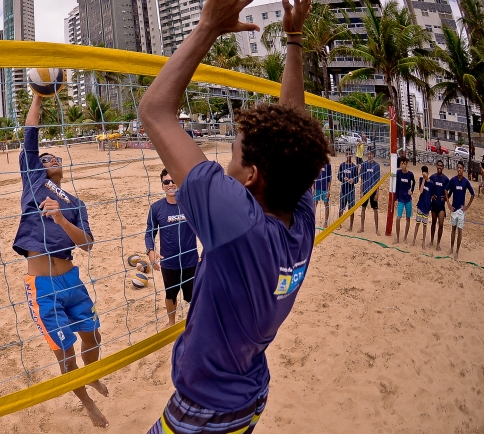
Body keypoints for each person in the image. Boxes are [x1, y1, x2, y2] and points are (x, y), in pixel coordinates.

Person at [138, 0, 329, 431]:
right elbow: (294, 125)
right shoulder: (298, 212)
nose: (225, 165)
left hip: (206, 410)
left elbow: (154, 110)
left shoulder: (239, 225)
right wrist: (293, 41)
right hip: (248, 392)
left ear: (251, 178)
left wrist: (207, 26)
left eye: (233, 158)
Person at [13, 94, 108, 427]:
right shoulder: (34, 181)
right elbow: (30, 135)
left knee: (93, 337)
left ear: (63, 168)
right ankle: (87, 403)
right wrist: (38, 98)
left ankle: (92, 374)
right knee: (65, 354)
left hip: (73, 280)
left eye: (55, 156)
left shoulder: (76, 203)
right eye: (44, 156)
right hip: (43, 287)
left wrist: (62, 221)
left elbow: (90, 245)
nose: (48, 157)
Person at [145, 168, 199, 327]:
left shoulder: (190, 206)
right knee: (170, 294)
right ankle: (171, 322)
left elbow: (205, 228)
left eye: (173, 181)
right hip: (169, 262)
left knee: (194, 296)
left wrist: (207, 251)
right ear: (162, 186)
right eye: (166, 182)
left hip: (191, 261)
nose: (170, 184)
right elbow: (149, 233)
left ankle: (194, 323)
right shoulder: (156, 208)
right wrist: (151, 251)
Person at [445, 161, 475, 260]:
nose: (459, 169)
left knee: (460, 230)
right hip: (454, 209)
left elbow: (472, 194)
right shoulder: (453, 180)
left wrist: (467, 206)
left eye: (461, 168)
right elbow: (446, 190)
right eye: (458, 168)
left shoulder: (466, 182)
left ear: (463, 169)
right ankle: (451, 248)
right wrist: (448, 204)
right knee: (453, 230)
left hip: (461, 210)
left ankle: (457, 251)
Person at [358, 148, 381, 235]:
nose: (369, 155)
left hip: (373, 190)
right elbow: (362, 179)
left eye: (371, 154)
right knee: (363, 208)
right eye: (368, 154)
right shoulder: (364, 165)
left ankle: (377, 229)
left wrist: (377, 193)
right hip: (365, 190)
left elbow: (378, 181)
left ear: (373, 155)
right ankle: (362, 227)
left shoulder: (377, 166)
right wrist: (361, 192)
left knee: (375, 210)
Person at [428, 160, 450, 250]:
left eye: (441, 166)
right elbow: (427, 186)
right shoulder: (433, 177)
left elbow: (450, 189)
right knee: (433, 223)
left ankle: (438, 244)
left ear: (443, 167)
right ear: (436, 166)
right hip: (434, 205)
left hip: (441, 206)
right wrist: (431, 195)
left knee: (441, 224)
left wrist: (446, 198)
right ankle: (432, 241)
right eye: (438, 165)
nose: (439, 167)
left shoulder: (446, 179)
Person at [394, 156, 415, 244]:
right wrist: (395, 199)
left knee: (408, 218)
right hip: (401, 199)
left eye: (405, 164)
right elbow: (396, 186)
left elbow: (414, 181)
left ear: (406, 165)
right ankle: (398, 238)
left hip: (408, 199)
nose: (403, 165)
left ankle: (405, 237)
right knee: (398, 218)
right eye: (402, 164)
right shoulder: (398, 173)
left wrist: (412, 190)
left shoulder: (410, 174)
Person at [337, 149, 358, 231]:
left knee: (351, 209)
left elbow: (357, 179)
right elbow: (338, 176)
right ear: (345, 155)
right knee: (341, 207)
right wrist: (343, 178)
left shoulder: (354, 167)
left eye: (350, 154)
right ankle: (339, 224)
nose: (348, 155)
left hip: (351, 190)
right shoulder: (342, 165)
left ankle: (351, 226)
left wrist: (353, 180)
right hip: (343, 190)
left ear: (352, 155)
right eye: (347, 154)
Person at [411, 166, 431, 249]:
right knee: (417, 223)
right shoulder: (420, 180)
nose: (424, 174)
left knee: (425, 225)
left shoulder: (431, 183)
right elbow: (421, 191)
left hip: (427, 207)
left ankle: (423, 242)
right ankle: (414, 240)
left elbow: (432, 195)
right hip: (420, 205)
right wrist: (423, 179)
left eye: (426, 172)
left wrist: (427, 179)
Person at [313, 161, 332, 227]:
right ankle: (312, 220)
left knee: (326, 204)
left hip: (325, 188)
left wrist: (328, 190)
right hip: (317, 187)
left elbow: (330, 178)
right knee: (314, 203)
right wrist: (313, 188)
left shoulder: (328, 165)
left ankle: (326, 222)